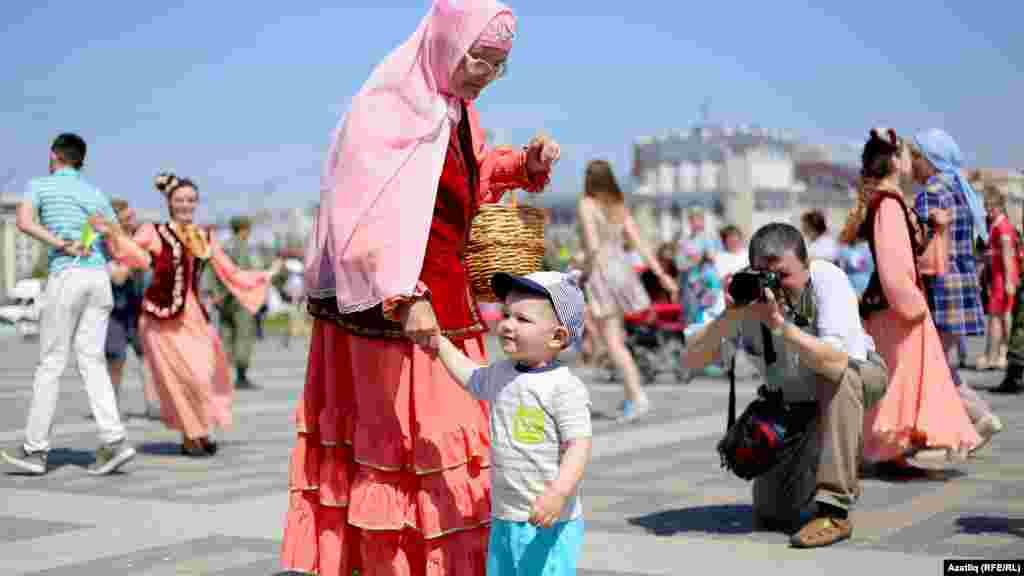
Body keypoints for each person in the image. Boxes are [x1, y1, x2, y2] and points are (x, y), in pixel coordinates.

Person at [280, 2, 560, 574]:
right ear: (446, 42)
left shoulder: (454, 113)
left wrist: (523, 166)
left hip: (449, 304)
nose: (484, 73)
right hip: (396, 317)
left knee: (454, 454)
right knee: (405, 453)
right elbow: (355, 215)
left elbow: (471, 176)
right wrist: (404, 295)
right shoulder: (381, 111)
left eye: (497, 65)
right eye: (477, 58)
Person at [685, 222, 887, 548]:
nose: (775, 286)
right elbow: (691, 363)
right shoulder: (744, 292)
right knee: (773, 513)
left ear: (807, 266)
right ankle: (820, 463)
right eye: (766, 276)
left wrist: (781, 328)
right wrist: (730, 316)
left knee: (839, 376)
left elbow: (836, 362)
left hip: (859, 375)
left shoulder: (827, 280)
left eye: (784, 275)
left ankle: (835, 508)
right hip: (792, 401)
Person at [97, 172, 280, 457]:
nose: (186, 205)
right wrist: (113, 234)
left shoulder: (203, 234)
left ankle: (199, 429)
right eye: (180, 199)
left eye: (191, 200)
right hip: (160, 318)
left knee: (202, 374)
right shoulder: (153, 230)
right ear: (170, 202)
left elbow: (227, 269)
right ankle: (192, 435)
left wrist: (261, 277)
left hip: (194, 315)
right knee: (177, 379)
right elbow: (133, 255)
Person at [839, 128, 980, 470]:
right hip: (897, 308)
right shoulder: (887, 203)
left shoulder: (890, 201)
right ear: (893, 161)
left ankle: (891, 447)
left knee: (905, 378)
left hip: (897, 305)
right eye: (904, 153)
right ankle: (884, 447)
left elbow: (912, 257)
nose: (910, 159)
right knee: (900, 379)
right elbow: (893, 264)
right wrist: (910, 304)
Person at [436, 271, 591, 576]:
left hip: (548, 519)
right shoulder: (501, 373)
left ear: (557, 337)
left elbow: (579, 445)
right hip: (506, 515)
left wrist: (559, 492)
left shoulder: (564, 387)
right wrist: (438, 343)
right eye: (506, 314)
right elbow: (470, 376)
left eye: (523, 319)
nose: (507, 324)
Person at [1, 133, 136, 476]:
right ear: (81, 161)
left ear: (53, 156)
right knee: (92, 360)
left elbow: (24, 221)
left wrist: (60, 242)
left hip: (69, 275)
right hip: (99, 280)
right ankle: (114, 440)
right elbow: (117, 238)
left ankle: (35, 449)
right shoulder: (95, 194)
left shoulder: (40, 186)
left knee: (51, 362)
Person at [910, 129, 1003, 450]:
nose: (912, 164)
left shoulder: (931, 192)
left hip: (940, 287)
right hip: (962, 283)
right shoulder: (961, 189)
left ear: (931, 160)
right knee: (941, 363)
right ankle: (975, 419)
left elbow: (918, 245)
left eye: (916, 157)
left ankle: (975, 417)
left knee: (933, 365)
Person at [577, 160, 678, 422]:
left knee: (613, 343)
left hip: (603, 273)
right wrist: (662, 275)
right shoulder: (617, 205)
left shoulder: (587, 204)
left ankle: (636, 396)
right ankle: (631, 394)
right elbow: (641, 244)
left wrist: (583, 273)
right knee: (616, 339)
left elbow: (592, 245)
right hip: (624, 272)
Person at [105, 199, 157, 417]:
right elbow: (116, 277)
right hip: (113, 310)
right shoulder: (104, 243)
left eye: (132, 218)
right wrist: (133, 262)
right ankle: (112, 406)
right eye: (126, 219)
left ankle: (152, 405)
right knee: (116, 358)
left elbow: (151, 264)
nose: (131, 223)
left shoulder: (140, 240)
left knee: (147, 356)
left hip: (140, 308)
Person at [211, 215, 261, 389]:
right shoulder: (241, 247)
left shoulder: (224, 246)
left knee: (226, 336)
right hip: (239, 299)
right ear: (244, 229)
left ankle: (221, 377)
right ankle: (241, 376)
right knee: (243, 336)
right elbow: (239, 273)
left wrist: (217, 294)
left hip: (223, 300)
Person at [975, 184, 1018, 371]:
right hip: (997, 278)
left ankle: (998, 354)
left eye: (990, 207)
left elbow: (1008, 255)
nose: (987, 211)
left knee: (999, 317)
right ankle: (998, 353)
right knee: (999, 317)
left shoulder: (1002, 227)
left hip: (1002, 278)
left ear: (999, 206)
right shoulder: (996, 226)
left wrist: (1009, 281)